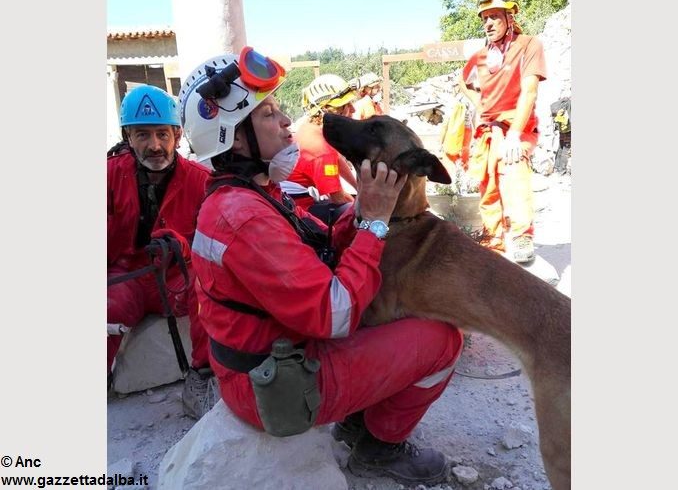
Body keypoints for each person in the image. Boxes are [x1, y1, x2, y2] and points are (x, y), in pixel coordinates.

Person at [180, 48, 464, 486]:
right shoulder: (243, 216)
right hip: (276, 386)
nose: (287, 122)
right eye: (270, 114)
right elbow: (336, 313)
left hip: (272, 359)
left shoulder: (249, 195)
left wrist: (362, 211)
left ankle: (357, 422)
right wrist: (374, 222)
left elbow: (321, 242)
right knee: (443, 341)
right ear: (236, 138)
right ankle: (378, 446)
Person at [107, 84, 217, 419]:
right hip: (126, 275)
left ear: (177, 135)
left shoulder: (201, 180)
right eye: (142, 135)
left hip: (178, 277)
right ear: (128, 137)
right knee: (106, 308)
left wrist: (180, 246)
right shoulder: (108, 174)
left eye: (161, 134)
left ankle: (201, 376)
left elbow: (213, 242)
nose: (154, 145)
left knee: (208, 287)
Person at [458, 0, 546, 263]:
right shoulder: (482, 56)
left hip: (515, 128)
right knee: (488, 183)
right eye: (485, 18)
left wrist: (514, 135)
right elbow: (462, 82)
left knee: (513, 164)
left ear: (511, 17)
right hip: (488, 130)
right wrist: (480, 104)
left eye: (495, 16)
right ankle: (493, 237)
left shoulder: (529, 46)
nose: (488, 23)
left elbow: (529, 91)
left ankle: (522, 235)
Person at [281, 74, 358, 222]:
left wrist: (358, 188)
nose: (353, 110)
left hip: (292, 200)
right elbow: (338, 198)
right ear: (330, 111)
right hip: (298, 210)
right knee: (353, 215)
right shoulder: (321, 149)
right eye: (347, 105)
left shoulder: (312, 128)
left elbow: (337, 160)